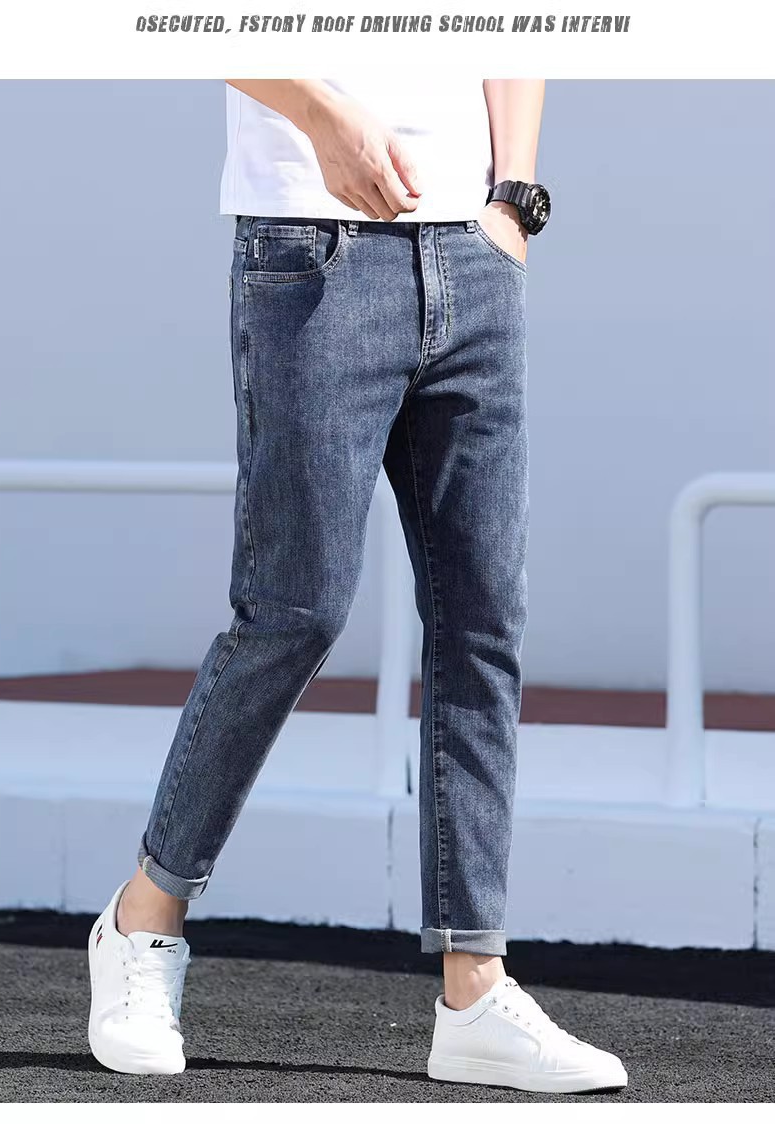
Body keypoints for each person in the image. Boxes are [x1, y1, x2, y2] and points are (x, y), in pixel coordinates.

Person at [87, 77, 628, 1094]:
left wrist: (512, 201)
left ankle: (473, 990)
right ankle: (141, 919)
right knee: (293, 610)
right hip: (312, 243)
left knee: (483, 620)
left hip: (474, 250)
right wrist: (322, 119)